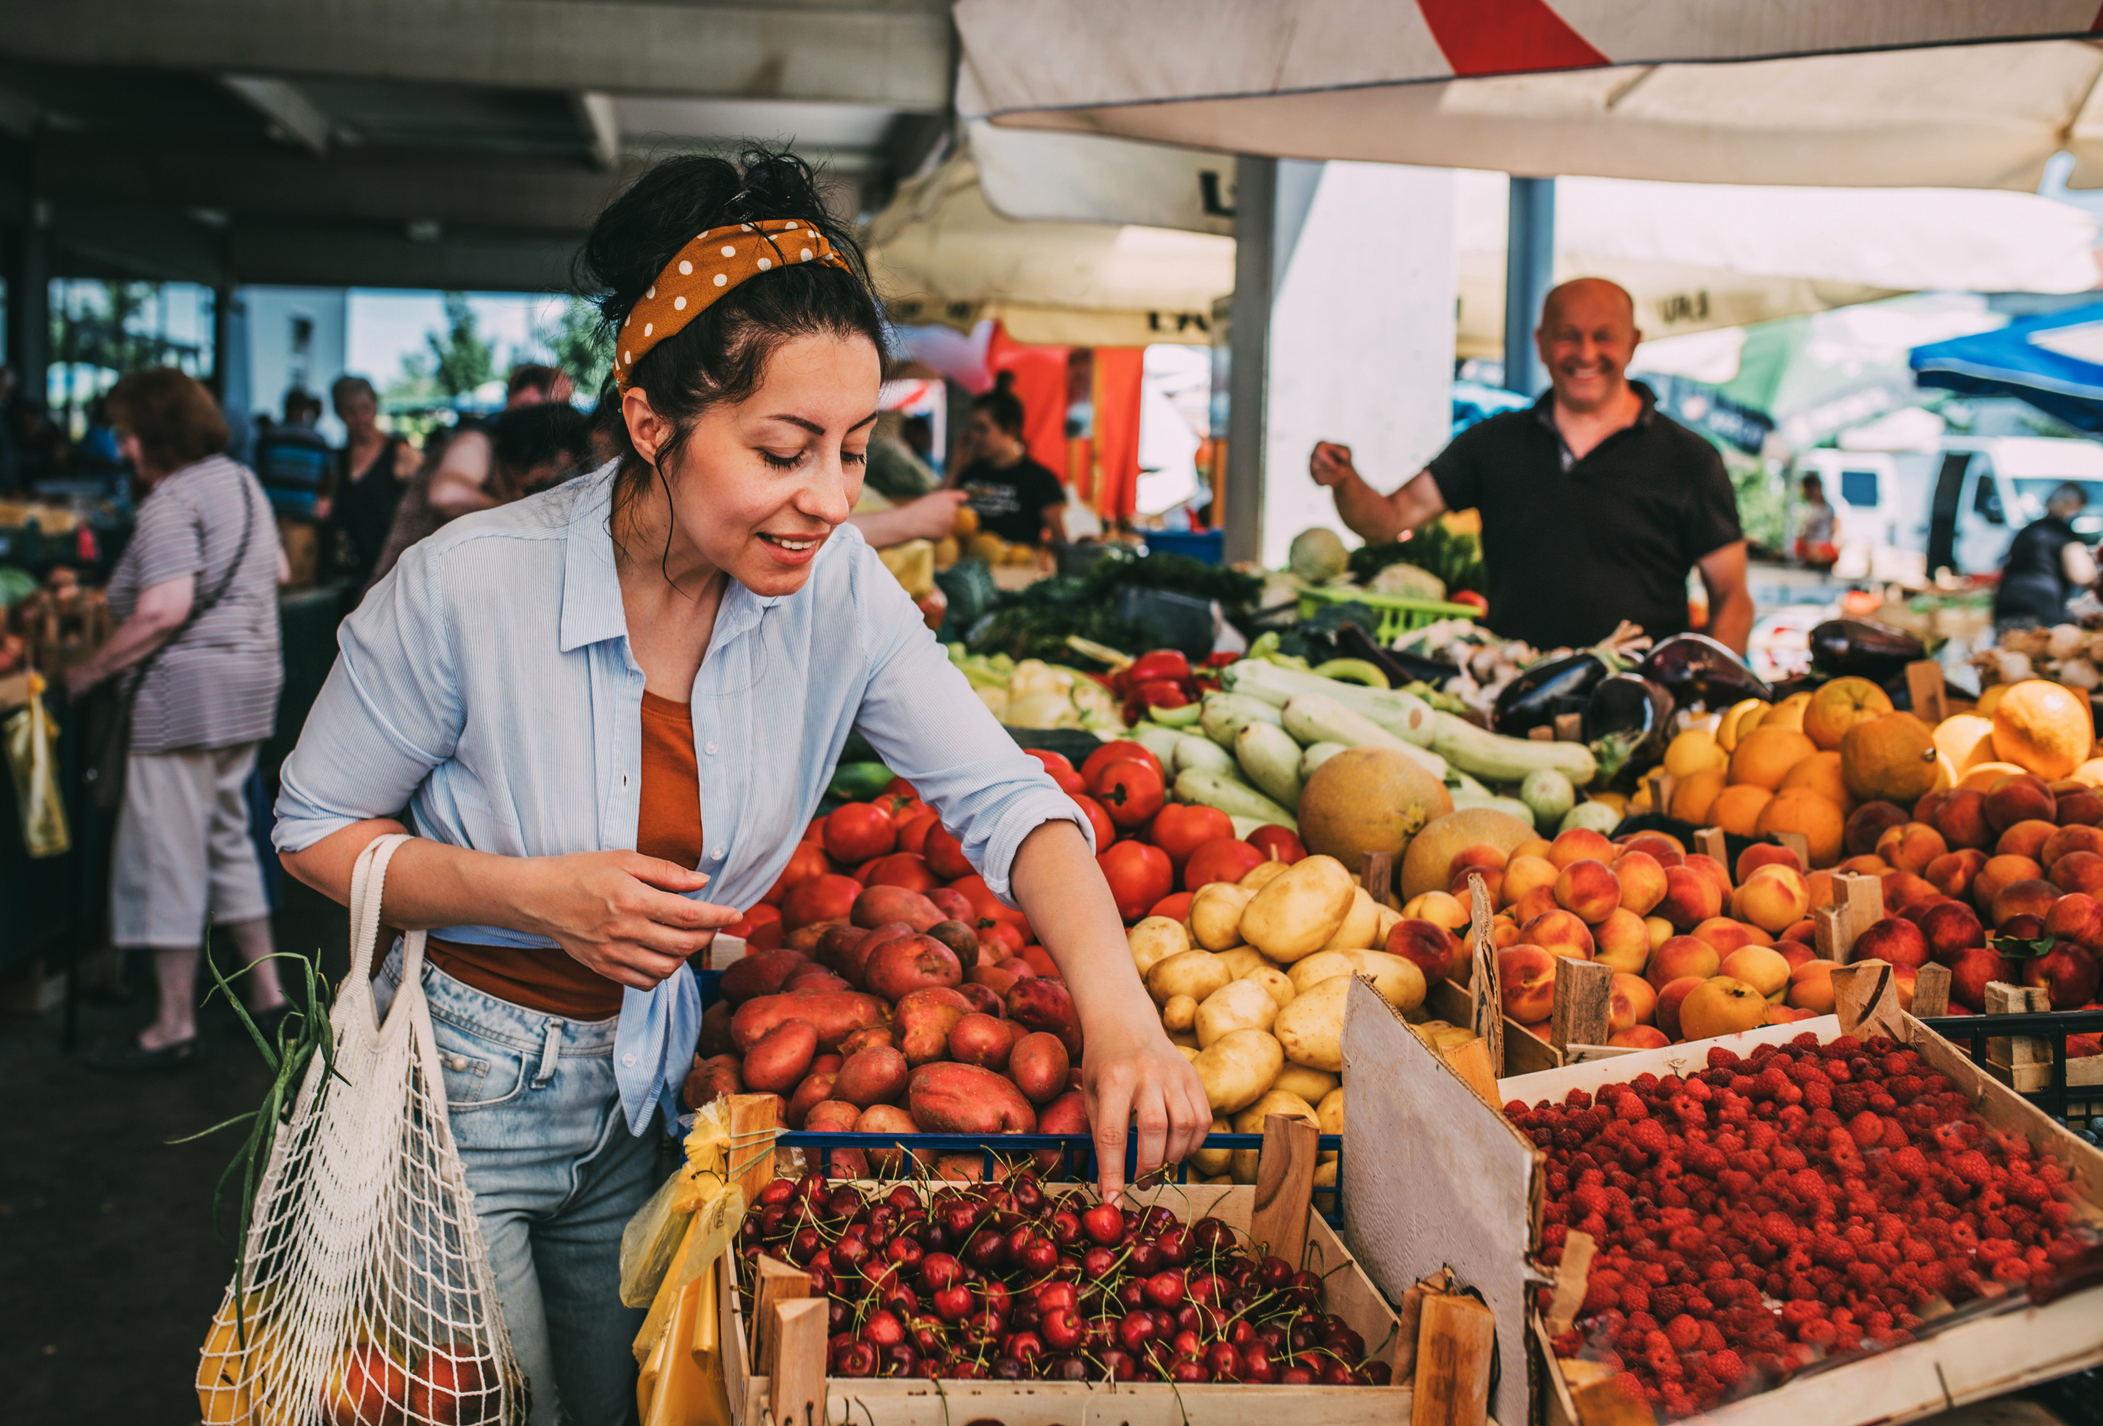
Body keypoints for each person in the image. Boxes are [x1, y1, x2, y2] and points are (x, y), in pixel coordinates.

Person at [273, 148, 1207, 1425]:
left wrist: (1123, 1017)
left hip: (655, 1091)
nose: (828, 499)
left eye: (855, 451)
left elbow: (1007, 797)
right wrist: (535, 896)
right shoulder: (467, 586)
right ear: (651, 421)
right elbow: (314, 828)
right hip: (459, 1092)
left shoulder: (838, 591)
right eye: (783, 450)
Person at [1311, 277, 1755, 653]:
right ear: (1540, 343)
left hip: (1639, 700)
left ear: (1632, 343)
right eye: (1567, 336)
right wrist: (1344, 480)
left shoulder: (1690, 460)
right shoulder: (1491, 443)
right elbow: (1386, 521)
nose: (1585, 353)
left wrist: (1704, 686)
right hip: (1510, 692)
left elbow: (1732, 598)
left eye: (1603, 336)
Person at [65, 370, 289, 1070]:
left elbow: (163, 608)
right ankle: (268, 997)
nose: (123, 449)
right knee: (227, 839)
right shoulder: (241, 482)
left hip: (182, 699)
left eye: (128, 434)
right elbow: (279, 571)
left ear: (156, 434)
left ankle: (171, 1025)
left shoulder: (172, 498)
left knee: (167, 855)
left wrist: (89, 671)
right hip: (250, 688)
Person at [361, 401, 597, 596]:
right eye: (555, 465)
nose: (551, 475)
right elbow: (445, 495)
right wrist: (517, 511)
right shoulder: (477, 443)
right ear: (537, 446)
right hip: (403, 590)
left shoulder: (516, 483)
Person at [422, 363, 577, 519]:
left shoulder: (511, 447)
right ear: (529, 395)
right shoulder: (479, 438)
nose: (565, 415)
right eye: (561, 406)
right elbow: (446, 495)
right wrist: (518, 511)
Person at [949, 374, 1067, 546]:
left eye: (982, 429)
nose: (973, 436)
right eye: (972, 428)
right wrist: (955, 469)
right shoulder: (969, 471)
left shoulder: (1040, 479)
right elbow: (934, 515)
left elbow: (1062, 538)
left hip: (1017, 563)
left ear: (1009, 429)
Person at [324, 375, 412, 593]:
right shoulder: (338, 459)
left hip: (392, 574)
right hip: (353, 575)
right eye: (350, 412)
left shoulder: (399, 451)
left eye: (365, 408)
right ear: (339, 413)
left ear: (375, 406)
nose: (360, 418)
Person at [252, 388, 335, 585]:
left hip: (270, 517)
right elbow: (328, 477)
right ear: (305, 410)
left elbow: (258, 471)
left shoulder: (269, 436)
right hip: (303, 518)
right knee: (300, 583)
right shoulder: (317, 439)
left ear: (285, 407)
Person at [1994, 481, 2097, 631]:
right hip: (2042, 604)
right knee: (2038, 643)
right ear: (2072, 505)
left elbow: (2006, 562)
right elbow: (2082, 574)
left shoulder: (2028, 529)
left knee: (2010, 642)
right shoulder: (2063, 533)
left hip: (2008, 600)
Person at [1794, 473, 1837, 567]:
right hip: (1809, 550)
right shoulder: (1809, 508)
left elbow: (1837, 535)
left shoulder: (1830, 509)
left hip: (1823, 548)